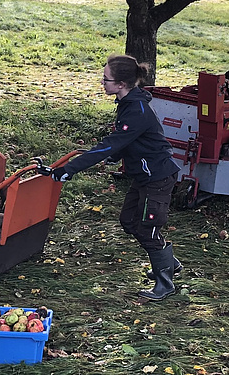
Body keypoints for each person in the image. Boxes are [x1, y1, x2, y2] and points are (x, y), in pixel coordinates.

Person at [49, 54, 181, 301]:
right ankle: (169, 262)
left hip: (158, 177)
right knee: (129, 221)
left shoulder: (137, 110)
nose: (102, 82)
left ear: (121, 84)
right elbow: (125, 140)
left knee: (147, 228)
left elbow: (110, 143)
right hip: (143, 176)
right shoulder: (128, 103)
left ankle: (165, 283)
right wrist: (116, 155)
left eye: (106, 79)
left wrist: (71, 168)